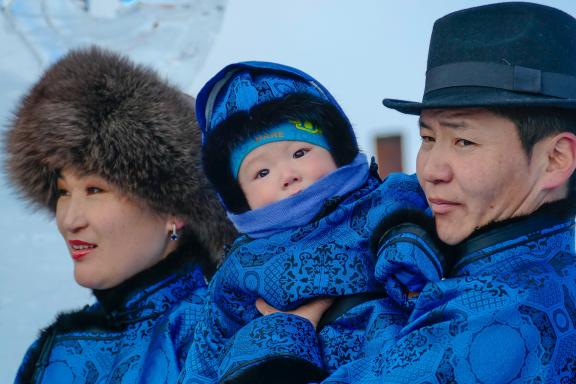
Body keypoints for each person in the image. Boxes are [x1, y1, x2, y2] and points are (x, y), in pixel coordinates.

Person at [206, 2, 576, 383]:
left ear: (555, 159)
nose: (430, 170)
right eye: (428, 138)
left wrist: (280, 336)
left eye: (464, 141)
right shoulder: (475, 264)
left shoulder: (502, 319)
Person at [177, 62, 435, 383]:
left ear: (338, 151)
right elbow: (205, 362)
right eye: (262, 172)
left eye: (300, 152)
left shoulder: (393, 202)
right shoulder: (238, 269)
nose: (288, 175)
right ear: (239, 196)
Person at [5, 47, 236, 383]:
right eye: (64, 191)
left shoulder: (226, 335)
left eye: (95, 190)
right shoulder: (56, 349)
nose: (70, 220)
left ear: (174, 209)